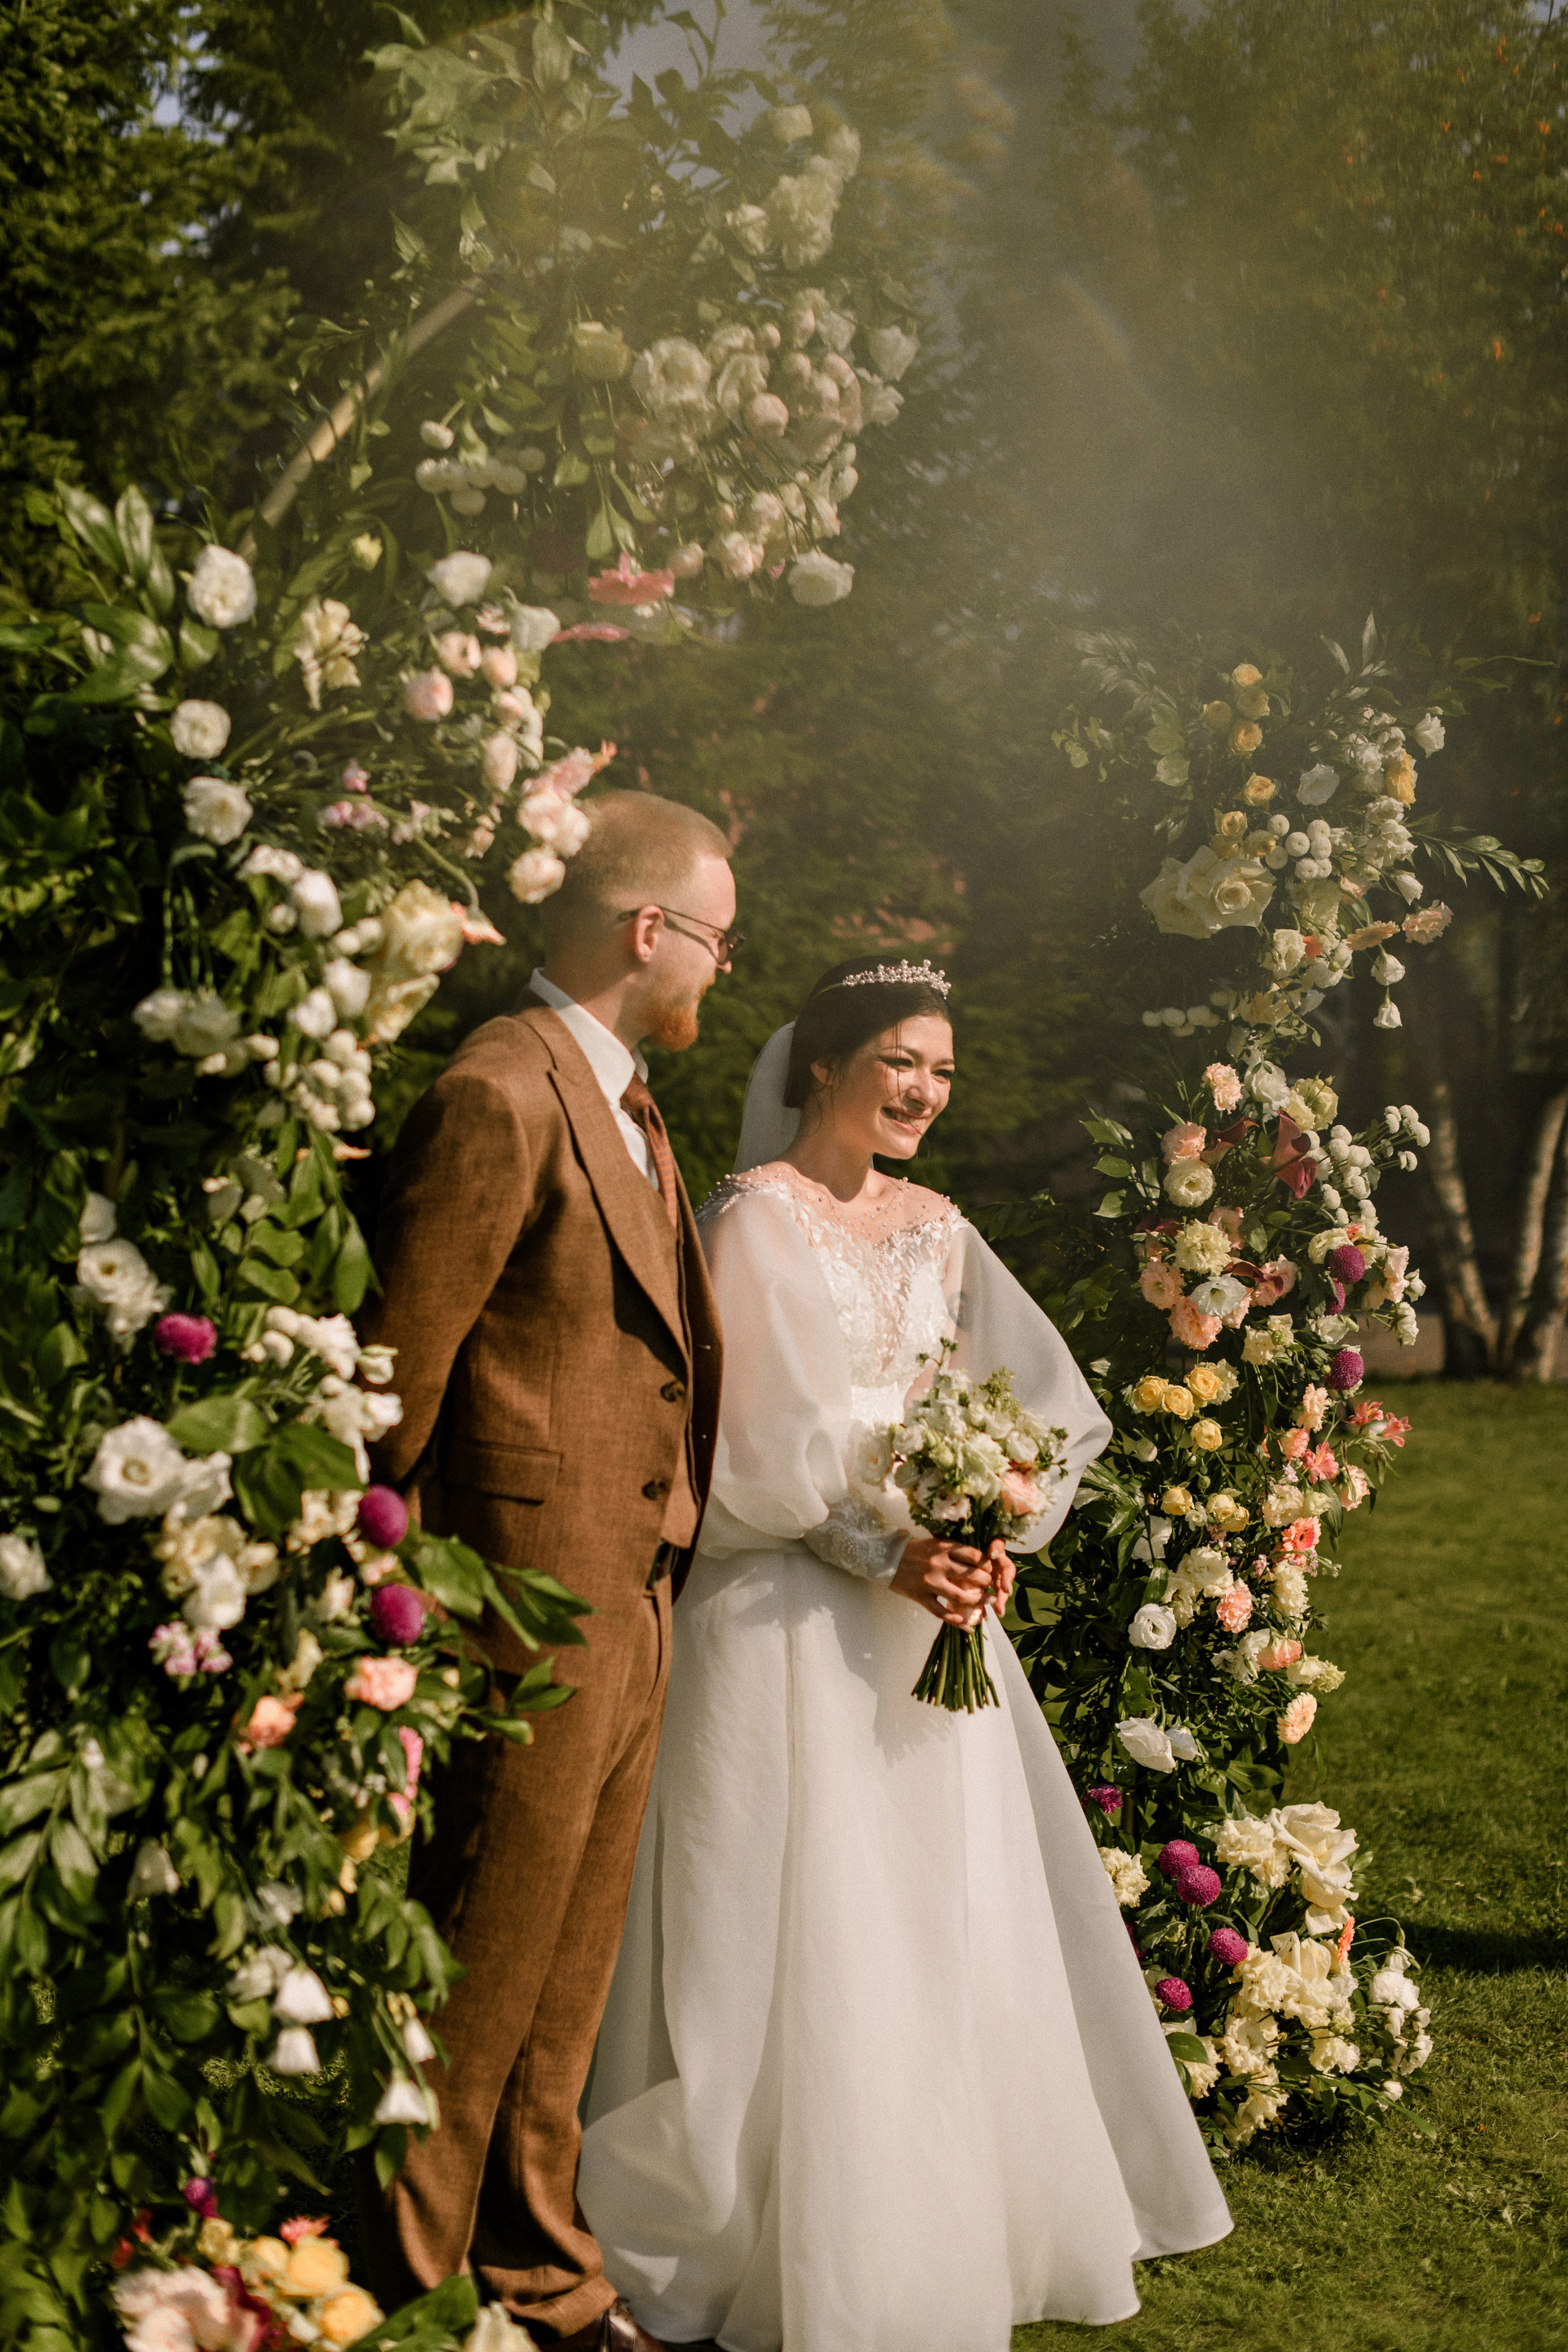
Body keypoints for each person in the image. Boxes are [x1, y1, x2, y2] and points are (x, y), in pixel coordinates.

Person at [577, 955, 1232, 2351]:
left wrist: (995, 1520)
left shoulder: (939, 1229)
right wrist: (884, 1548)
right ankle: (757, 2216)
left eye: (940, 1068)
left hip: (936, 1627)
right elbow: (742, 1447)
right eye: (899, 1063)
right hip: (786, 1623)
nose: (924, 1092)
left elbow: (1028, 1402)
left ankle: (937, 2203)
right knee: (789, 1909)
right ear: (824, 1067)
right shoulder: (753, 1222)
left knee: (933, 1909)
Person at [358, 790, 738, 2352]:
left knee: (562, 1976)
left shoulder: (631, 1101)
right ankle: (392, 2288)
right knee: (477, 1957)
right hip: (513, 1600)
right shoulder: (500, 1094)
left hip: (630, 1594)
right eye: (715, 934)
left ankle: (539, 2268)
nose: (724, 966)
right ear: (648, 932)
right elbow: (395, 1380)